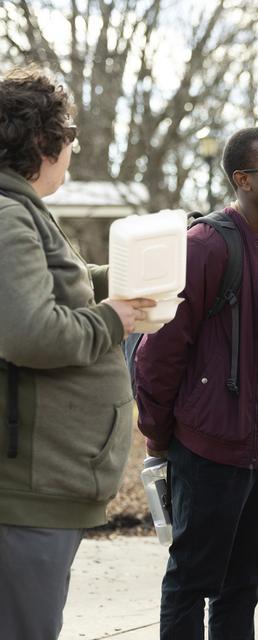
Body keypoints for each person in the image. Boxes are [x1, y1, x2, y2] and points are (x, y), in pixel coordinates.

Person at [0, 68, 154, 639]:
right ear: (42, 142)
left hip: (42, 489)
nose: (72, 150)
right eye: (69, 137)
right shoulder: (7, 213)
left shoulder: (21, 208)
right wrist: (113, 319)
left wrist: (129, 282)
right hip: (26, 494)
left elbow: (55, 285)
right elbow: (31, 332)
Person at [135, 126, 258, 639]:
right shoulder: (204, 247)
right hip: (209, 446)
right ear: (243, 180)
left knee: (244, 584)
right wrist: (161, 438)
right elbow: (156, 357)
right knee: (191, 579)